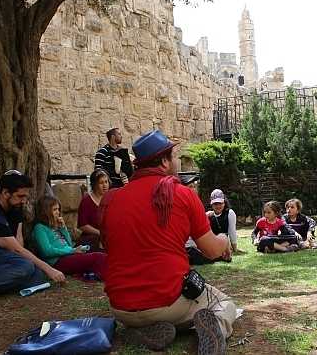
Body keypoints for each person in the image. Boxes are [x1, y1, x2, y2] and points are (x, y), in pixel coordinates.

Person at [100, 130, 236, 354]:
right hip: (167, 301)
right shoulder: (182, 193)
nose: (175, 162)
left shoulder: (111, 199)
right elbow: (211, 251)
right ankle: (216, 330)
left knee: (156, 312)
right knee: (224, 304)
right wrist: (223, 240)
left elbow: (108, 246)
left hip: (121, 307)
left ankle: (142, 330)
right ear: (163, 161)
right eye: (173, 156)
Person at [0, 172, 65, 294]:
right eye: (20, 196)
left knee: (37, 274)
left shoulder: (15, 209)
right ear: (5, 193)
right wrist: (49, 269)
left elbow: (19, 243)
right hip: (2, 254)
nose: (23, 201)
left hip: (4, 258)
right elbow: (16, 249)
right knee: (26, 267)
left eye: (25, 197)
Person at [32, 195, 107, 281]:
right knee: (98, 257)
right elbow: (47, 251)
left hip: (69, 255)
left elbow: (69, 244)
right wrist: (72, 251)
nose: (58, 213)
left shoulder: (54, 226)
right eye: (54, 210)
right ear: (45, 212)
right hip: (57, 261)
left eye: (58, 209)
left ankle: (94, 274)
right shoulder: (40, 228)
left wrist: (63, 228)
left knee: (99, 252)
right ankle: (107, 276)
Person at [186, 189, 237, 265]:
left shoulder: (229, 213)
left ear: (224, 203)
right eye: (215, 204)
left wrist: (234, 248)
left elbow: (232, 232)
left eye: (220, 203)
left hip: (221, 244)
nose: (218, 206)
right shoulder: (207, 215)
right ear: (212, 204)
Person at [76, 169, 110, 251]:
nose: (105, 185)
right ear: (95, 185)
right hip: (92, 238)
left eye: (106, 182)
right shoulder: (86, 201)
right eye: (101, 183)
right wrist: (100, 233)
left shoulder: (110, 199)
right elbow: (82, 225)